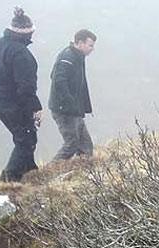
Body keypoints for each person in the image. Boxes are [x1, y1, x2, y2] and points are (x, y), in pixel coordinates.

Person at [0, 7, 43, 182]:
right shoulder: (22, 54)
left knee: (24, 135)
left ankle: (31, 172)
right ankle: (9, 178)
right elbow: (26, 87)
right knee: (26, 138)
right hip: (15, 102)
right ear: (27, 33)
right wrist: (35, 108)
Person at [49, 29, 96, 161]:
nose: (92, 49)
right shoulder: (67, 58)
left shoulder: (77, 56)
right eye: (90, 45)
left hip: (74, 109)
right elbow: (58, 80)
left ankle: (84, 171)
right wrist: (70, 103)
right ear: (80, 43)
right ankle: (52, 169)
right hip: (64, 110)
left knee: (86, 146)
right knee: (72, 144)